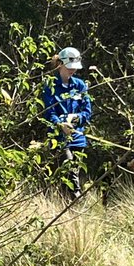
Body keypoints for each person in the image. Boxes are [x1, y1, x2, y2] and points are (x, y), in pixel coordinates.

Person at [42, 46, 92, 197]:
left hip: (78, 138)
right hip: (59, 139)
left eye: (75, 68)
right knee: (69, 171)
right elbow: (49, 112)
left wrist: (78, 119)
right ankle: (74, 198)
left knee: (76, 171)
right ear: (60, 64)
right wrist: (60, 124)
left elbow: (87, 110)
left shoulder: (80, 85)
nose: (73, 71)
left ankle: (69, 203)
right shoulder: (50, 86)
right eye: (70, 67)